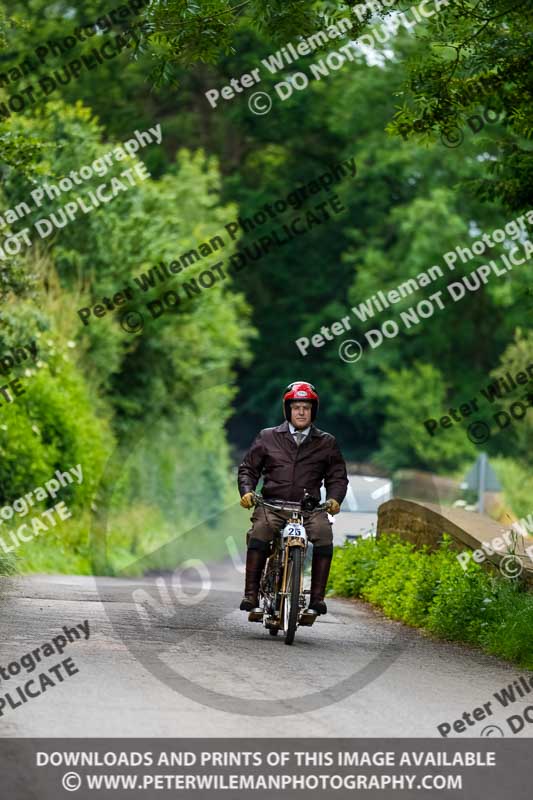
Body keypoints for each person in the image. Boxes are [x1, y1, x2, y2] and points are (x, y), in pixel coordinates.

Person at [237, 381, 348, 615]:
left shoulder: (327, 443)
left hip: (310, 510)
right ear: (288, 410)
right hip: (272, 506)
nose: (300, 412)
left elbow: (337, 477)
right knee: (260, 532)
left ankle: (317, 599)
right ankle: (251, 594)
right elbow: (248, 468)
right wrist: (247, 490)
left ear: (313, 411)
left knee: (324, 535)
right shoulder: (267, 437)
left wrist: (335, 498)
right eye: (296, 407)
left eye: (306, 407)